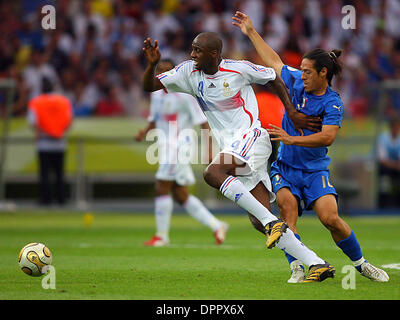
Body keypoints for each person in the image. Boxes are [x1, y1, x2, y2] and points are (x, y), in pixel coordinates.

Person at [142, 31, 336, 282]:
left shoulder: (239, 69)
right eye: (191, 49)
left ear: (213, 54)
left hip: (252, 138)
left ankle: (272, 223)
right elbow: (149, 86)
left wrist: (291, 111)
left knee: (213, 173)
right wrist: (151, 65)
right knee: (258, 220)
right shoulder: (188, 72)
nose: (192, 54)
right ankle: (316, 263)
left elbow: (274, 77)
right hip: (232, 149)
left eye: (197, 50)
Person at [232, 11, 389, 283]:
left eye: (307, 71)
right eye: (301, 70)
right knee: (287, 214)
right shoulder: (295, 82)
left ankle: (361, 264)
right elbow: (274, 61)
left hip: (316, 170)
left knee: (330, 219)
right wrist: (250, 31)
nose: (301, 75)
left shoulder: (332, 103)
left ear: (323, 73)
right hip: (285, 168)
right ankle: (297, 267)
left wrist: (291, 139)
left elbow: (327, 138)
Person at [136, 59, 228, 246]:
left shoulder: (185, 94)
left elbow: (203, 122)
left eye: (167, 71)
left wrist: (209, 150)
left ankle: (161, 236)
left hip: (179, 146)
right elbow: (154, 119)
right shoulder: (156, 94)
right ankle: (217, 225)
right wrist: (144, 132)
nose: (163, 76)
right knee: (180, 194)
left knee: (161, 186)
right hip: (165, 146)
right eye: (159, 72)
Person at [27, 77, 73, 206]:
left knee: (44, 174)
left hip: (44, 143)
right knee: (59, 174)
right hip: (60, 142)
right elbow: (69, 121)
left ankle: (45, 199)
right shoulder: (64, 101)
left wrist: (42, 130)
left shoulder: (36, 102)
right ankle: (61, 199)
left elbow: (32, 122)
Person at [377, 118, 400, 208]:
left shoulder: (398, 140)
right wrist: (396, 166)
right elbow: (382, 160)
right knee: (385, 177)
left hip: (394, 167)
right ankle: (384, 204)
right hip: (384, 168)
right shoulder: (383, 139)